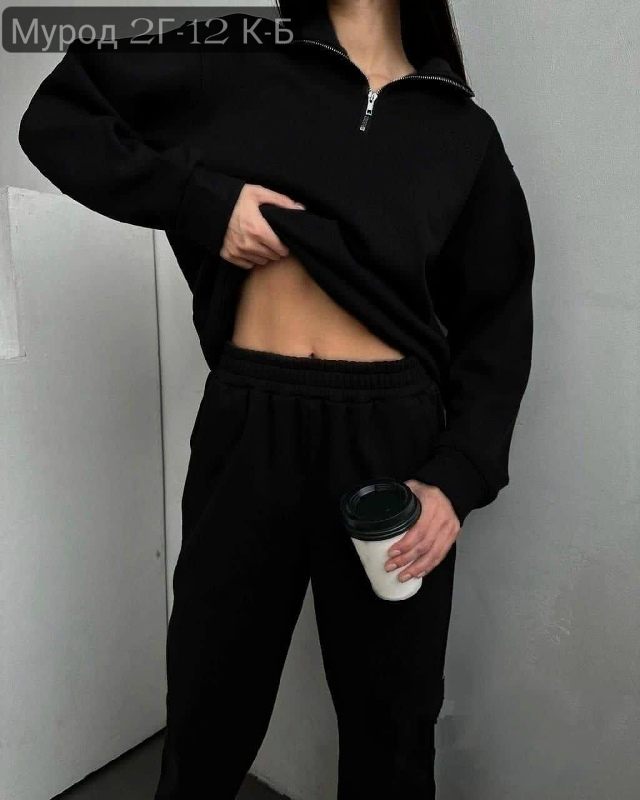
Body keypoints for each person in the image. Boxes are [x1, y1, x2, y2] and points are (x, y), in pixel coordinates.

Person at [18, 0, 535, 796]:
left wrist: (456, 477)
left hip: (390, 446)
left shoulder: (463, 133)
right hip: (250, 426)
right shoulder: (239, 55)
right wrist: (199, 201)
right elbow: (59, 118)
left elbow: (495, 324)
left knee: (394, 728)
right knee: (208, 707)